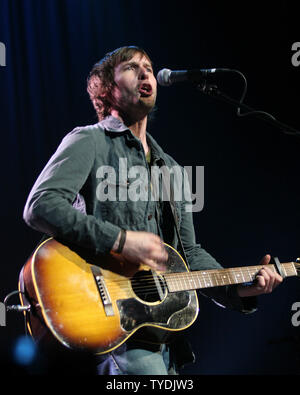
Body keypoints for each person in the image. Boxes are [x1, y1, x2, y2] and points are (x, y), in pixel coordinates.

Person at [23, 46, 283, 375]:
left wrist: (243, 288)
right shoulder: (89, 141)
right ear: (107, 89)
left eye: (149, 67)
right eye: (132, 68)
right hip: (111, 326)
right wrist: (121, 240)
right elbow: (40, 205)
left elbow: (189, 254)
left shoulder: (172, 170)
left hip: (164, 338)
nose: (146, 73)